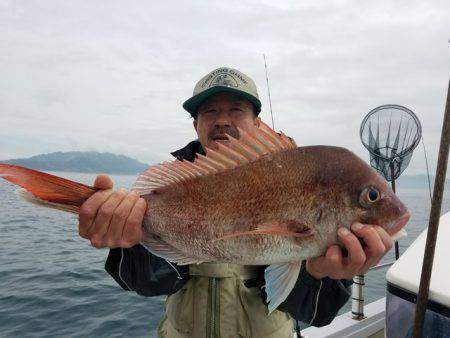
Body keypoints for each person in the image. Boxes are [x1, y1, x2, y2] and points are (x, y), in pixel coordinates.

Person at [78, 67, 394, 337]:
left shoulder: (301, 181)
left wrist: (320, 274)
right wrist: (130, 237)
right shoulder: (171, 190)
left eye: (237, 110)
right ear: (196, 125)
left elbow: (317, 316)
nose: (222, 120)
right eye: (210, 111)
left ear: (258, 123)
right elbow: (145, 284)